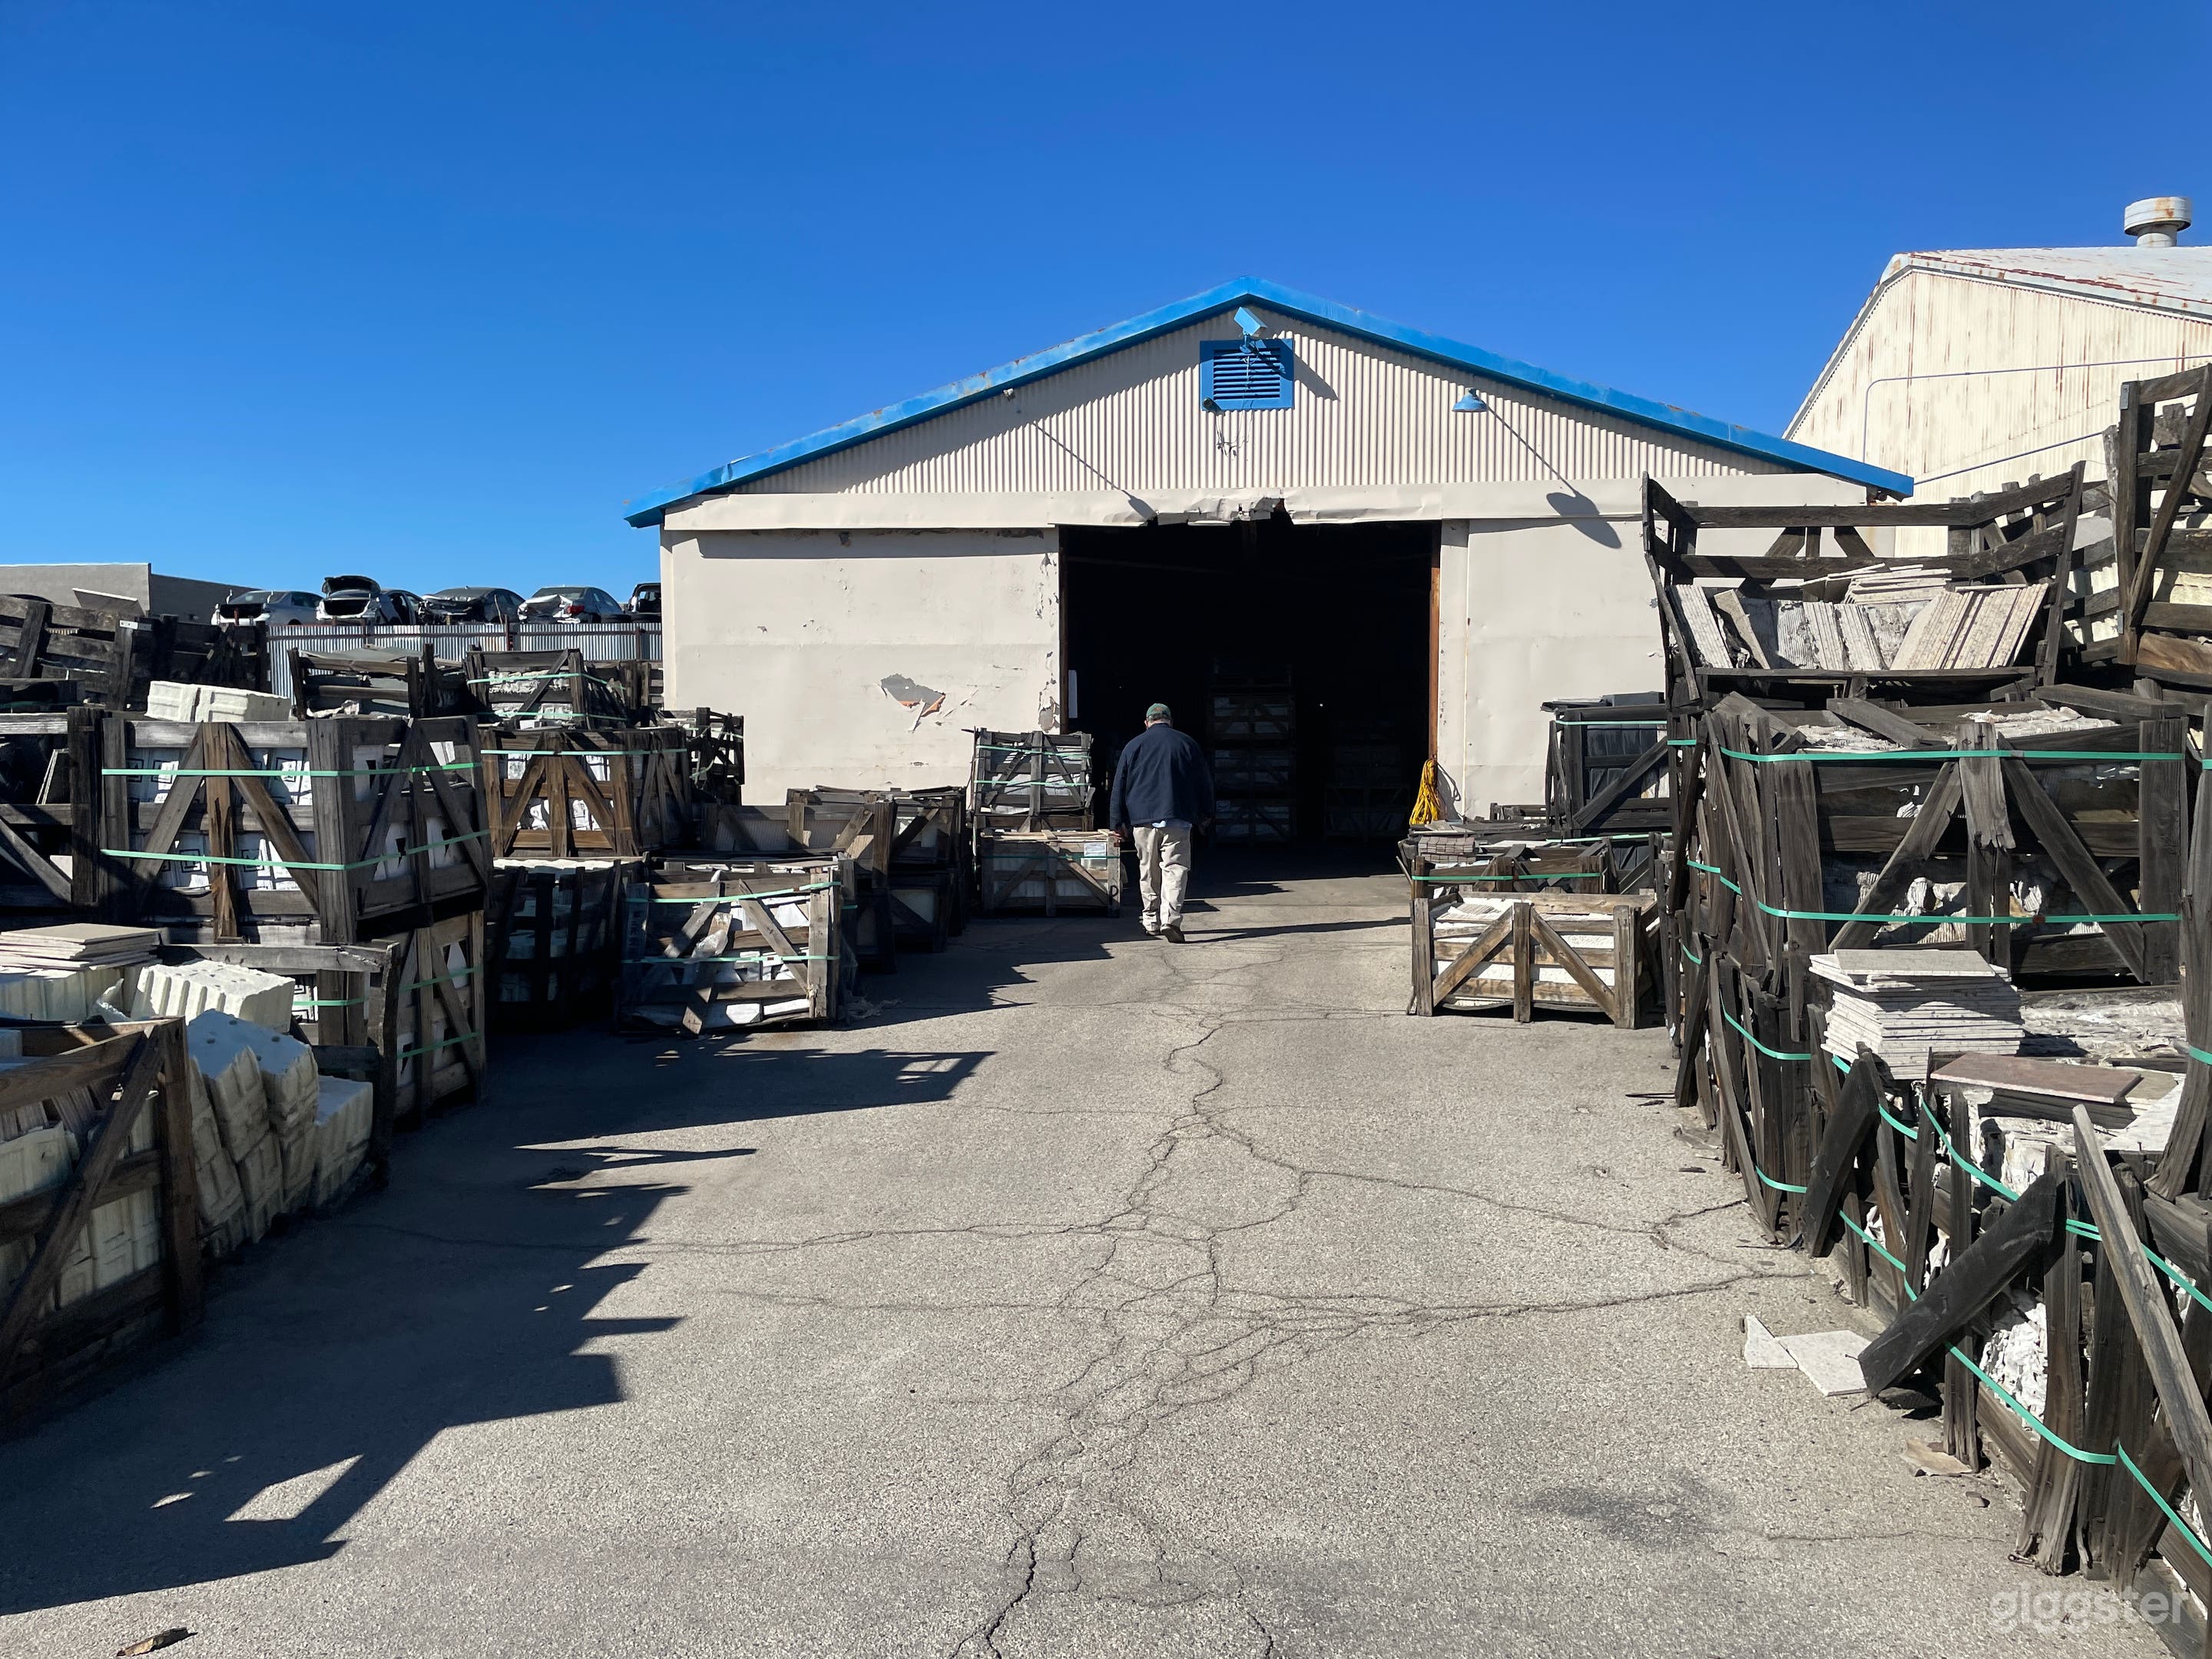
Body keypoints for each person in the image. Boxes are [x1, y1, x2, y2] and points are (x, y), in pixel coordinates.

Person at [1107, 702, 1214, 943]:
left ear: (1147, 723)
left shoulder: (1133, 746)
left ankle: (1151, 921)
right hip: (1178, 818)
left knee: (1148, 871)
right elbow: (1204, 782)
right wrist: (1206, 814)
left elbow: (1119, 786)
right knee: (1175, 870)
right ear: (1170, 721)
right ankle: (1171, 920)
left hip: (1142, 821)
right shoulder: (1187, 744)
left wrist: (1117, 821)